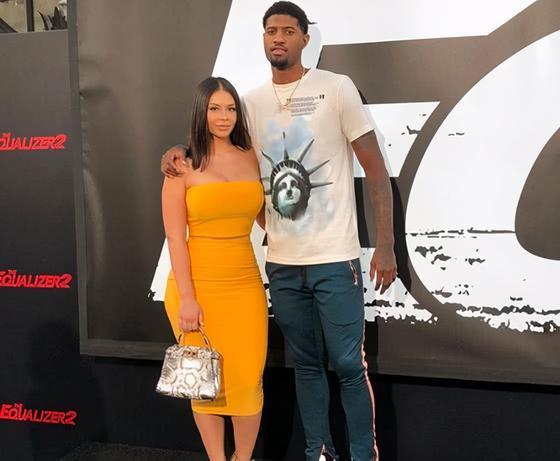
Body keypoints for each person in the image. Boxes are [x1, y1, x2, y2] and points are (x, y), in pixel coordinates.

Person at [162, 3, 397, 460]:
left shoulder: (336, 88)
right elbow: (220, 153)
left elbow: (375, 169)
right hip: (283, 264)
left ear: (305, 38)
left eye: (289, 31)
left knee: (348, 364)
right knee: (305, 366)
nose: (279, 38)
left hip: (335, 258)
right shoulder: (250, 104)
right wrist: (178, 151)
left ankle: (363, 456)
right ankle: (318, 453)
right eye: (271, 30)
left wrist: (385, 244)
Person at [162, 76, 267, 461]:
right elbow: (175, 238)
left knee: (248, 383)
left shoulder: (252, 154)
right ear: (201, 112)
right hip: (196, 288)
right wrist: (188, 299)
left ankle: (242, 458)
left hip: (245, 284)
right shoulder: (181, 165)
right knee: (204, 382)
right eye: (215, 108)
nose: (224, 117)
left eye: (231, 108)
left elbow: (266, 217)